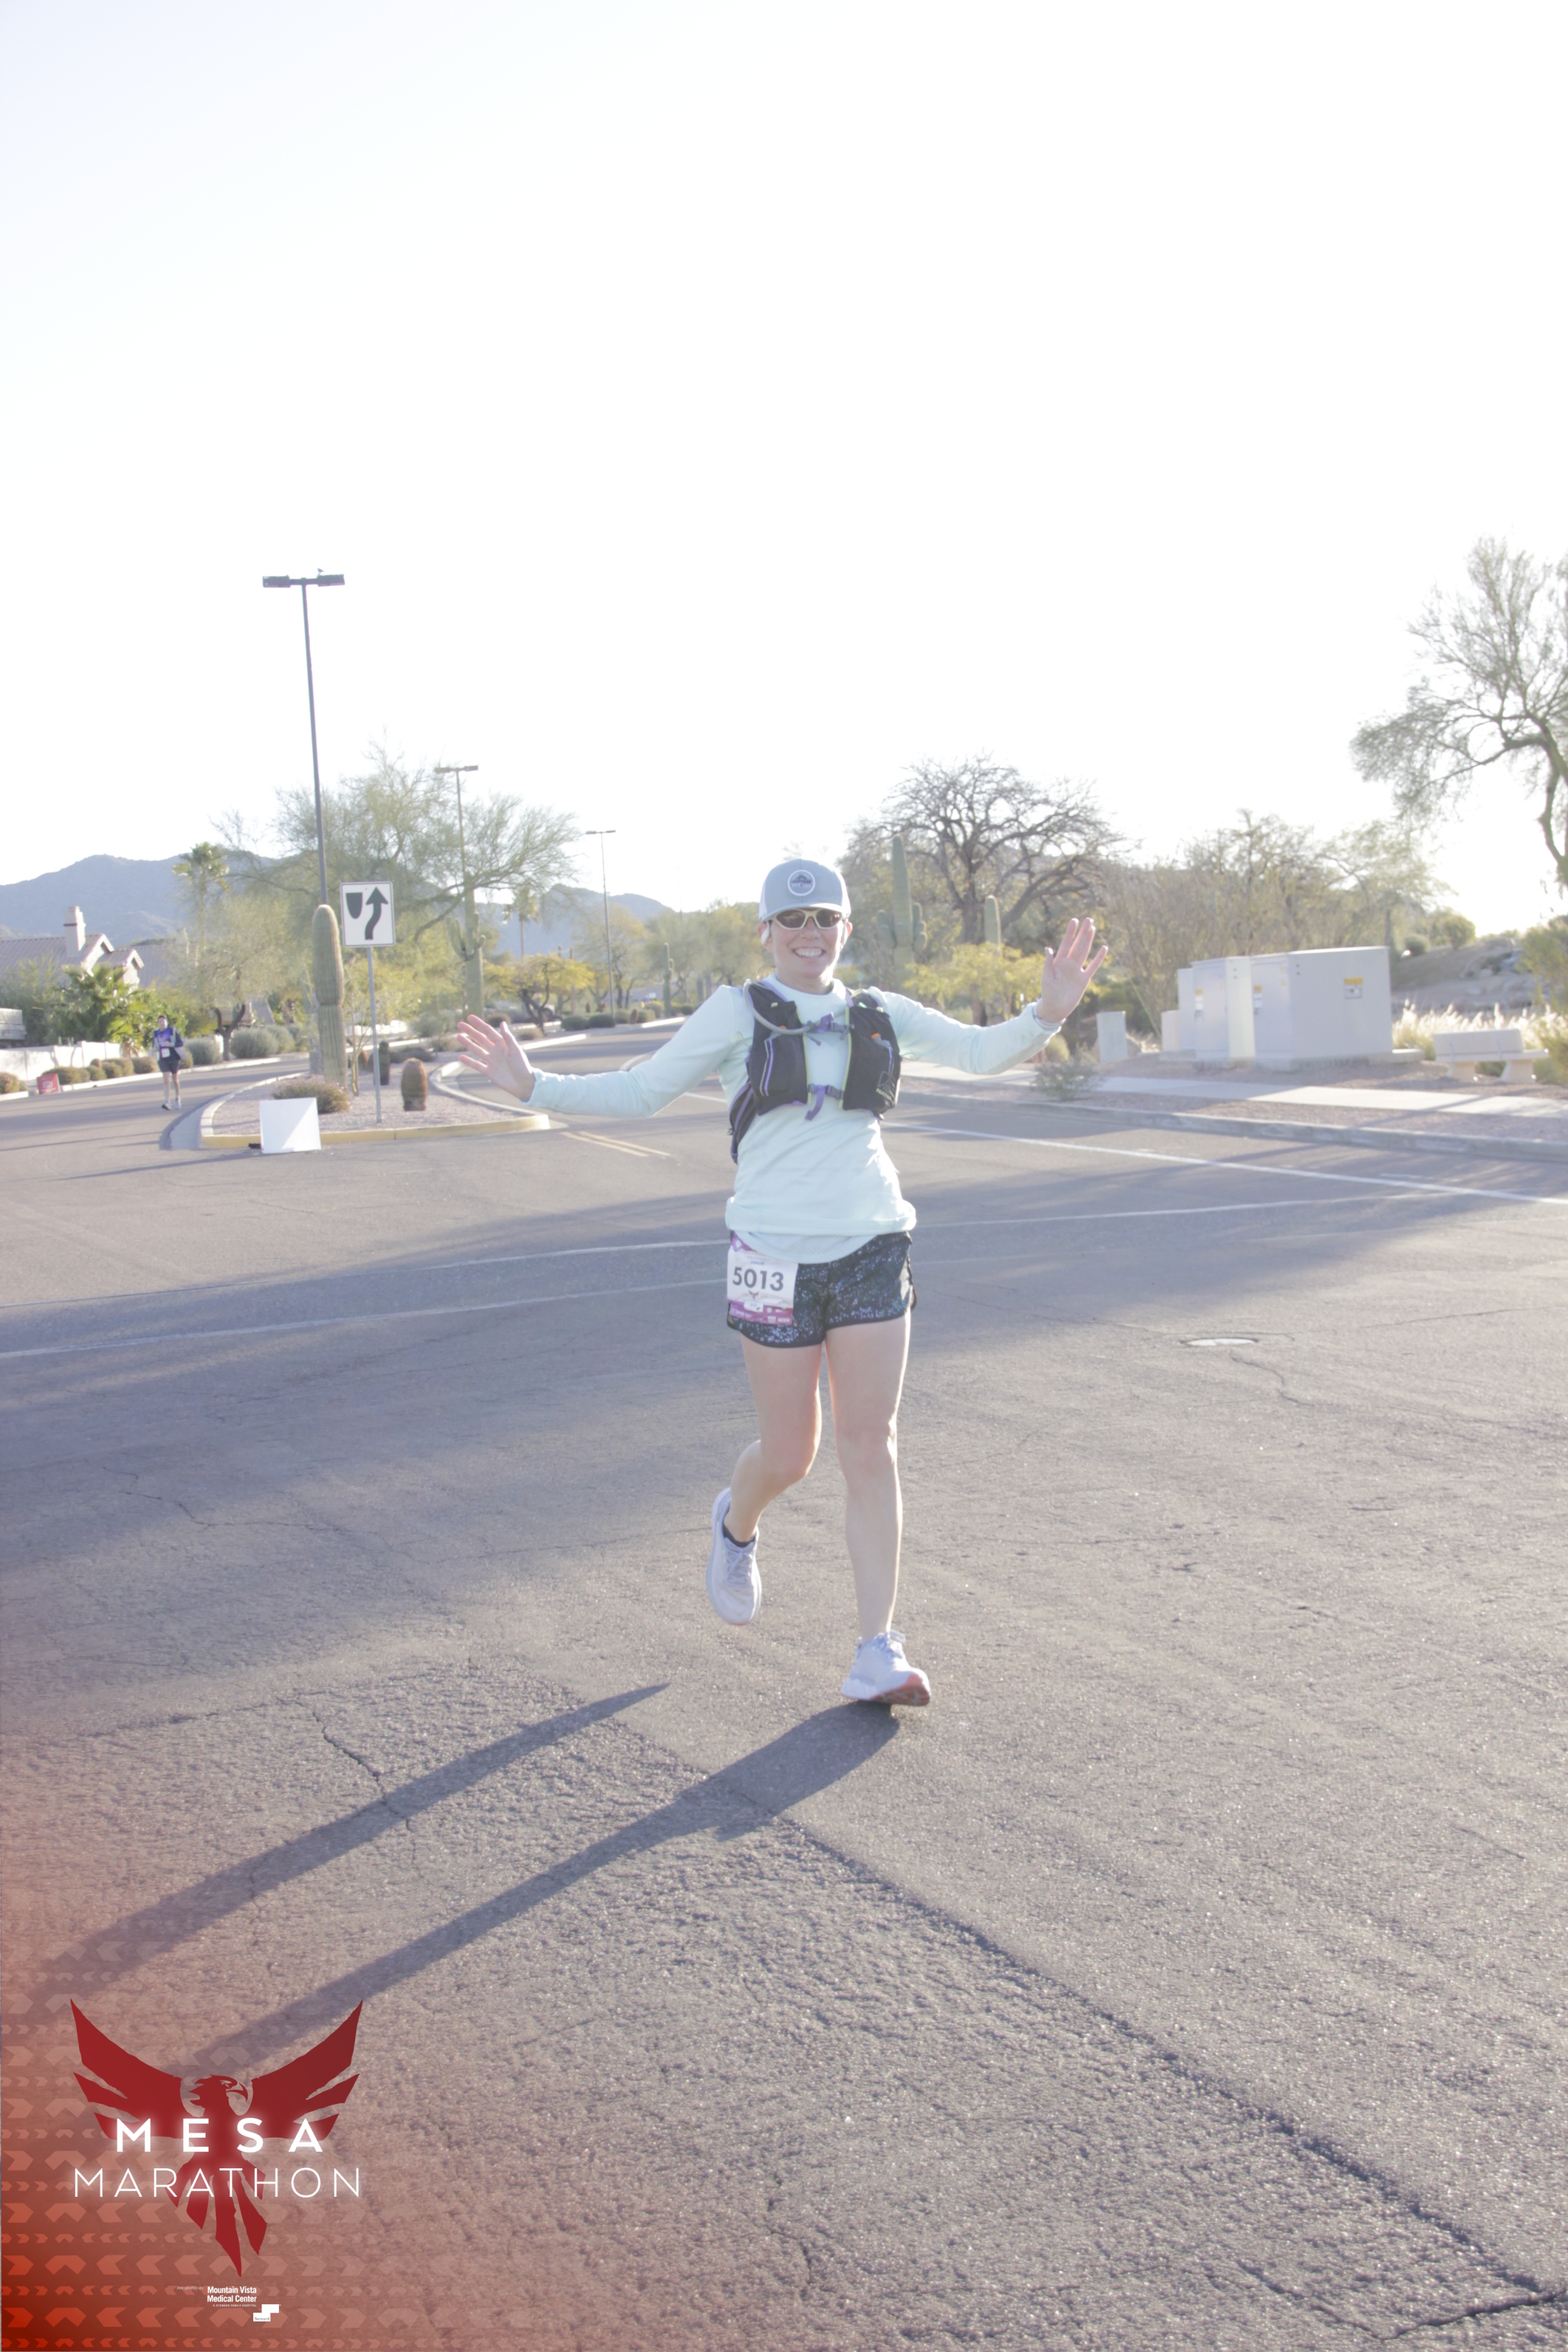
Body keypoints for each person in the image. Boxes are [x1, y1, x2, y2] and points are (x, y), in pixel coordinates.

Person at [457, 859, 1105, 1708]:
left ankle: (876, 1649)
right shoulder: (735, 1012)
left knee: (870, 1444)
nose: (811, 934)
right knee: (792, 1454)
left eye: (825, 918)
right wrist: (533, 1084)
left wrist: (1047, 1012)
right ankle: (736, 1522)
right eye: (794, 920)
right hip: (772, 1255)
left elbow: (979, 1053)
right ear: (766, 932)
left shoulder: (879, 1010)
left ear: (845, 929)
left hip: (872, 1244)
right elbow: (643, 1091)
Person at [153, 1013, 186, 1110]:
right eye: (159, 1022)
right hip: (163, 1059)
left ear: (166, 1022)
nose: (161, 1023)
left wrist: (171, 1044)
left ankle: (177, 1098)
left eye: (163, 1021)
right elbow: (155, 1045)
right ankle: (167, 1102)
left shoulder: (172, 1031)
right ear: (157, 1023)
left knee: (175, 1080)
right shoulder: (156, 1033)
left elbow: (180, 1043)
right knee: (166, 1079)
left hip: (173, 1058)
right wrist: (155, 1049)